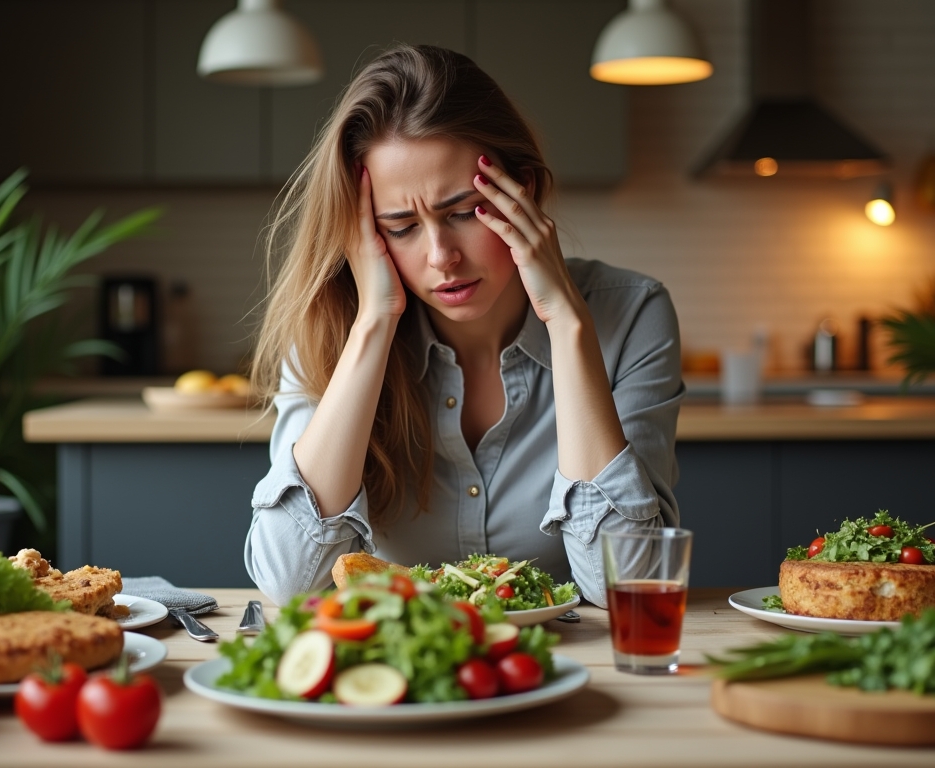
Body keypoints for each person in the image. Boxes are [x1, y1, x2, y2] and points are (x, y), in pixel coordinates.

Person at [245, 44, 683, 607]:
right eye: (400, 226)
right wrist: (374, 324)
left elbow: (633, 588)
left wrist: (568, 324)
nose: (440, 256)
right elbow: (287, 583)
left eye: (460, 213)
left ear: (522, 189)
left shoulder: (634, 313)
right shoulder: (328, 329)